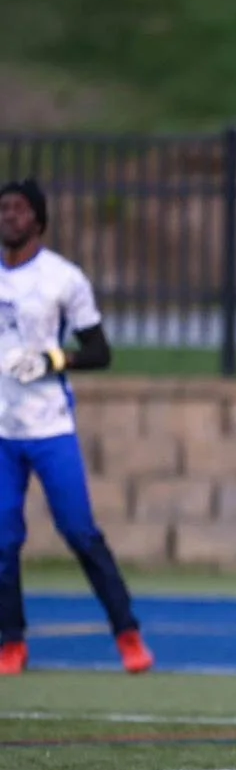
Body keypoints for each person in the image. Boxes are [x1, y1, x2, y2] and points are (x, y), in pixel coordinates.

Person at [0, 177, 154, 676]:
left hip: (49, 429)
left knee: (80, 531)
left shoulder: (63, 278)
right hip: (2, 432)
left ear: (38, 220)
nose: (9, 217)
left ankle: (127, 633)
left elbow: (100, 351)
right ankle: (11, 643)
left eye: (19, 210)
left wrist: (53, 359)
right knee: (2, 540)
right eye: (3, 209)